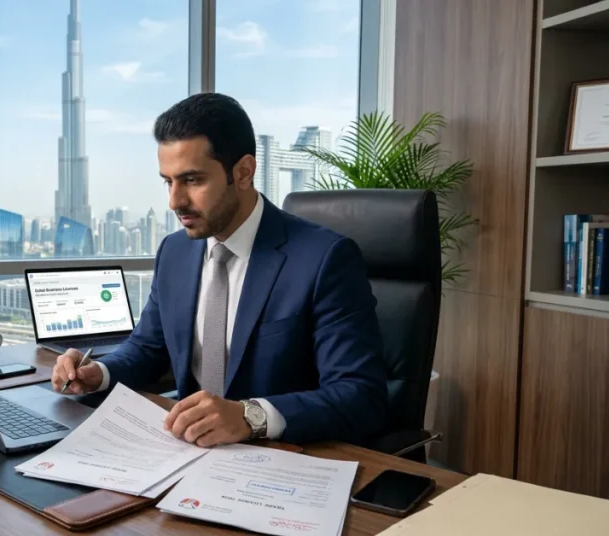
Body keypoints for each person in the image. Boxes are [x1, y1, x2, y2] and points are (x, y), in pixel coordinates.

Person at [51, 93, 387, 448]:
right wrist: (99, 373)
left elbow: (361, 396)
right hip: (184, 451)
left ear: (243, 172)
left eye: (192, 180)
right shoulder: (175, 251)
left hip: (280, 460)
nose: (175, 202)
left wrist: (249, 416)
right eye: (169, 181)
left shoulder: (324, 259)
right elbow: (147, 349)